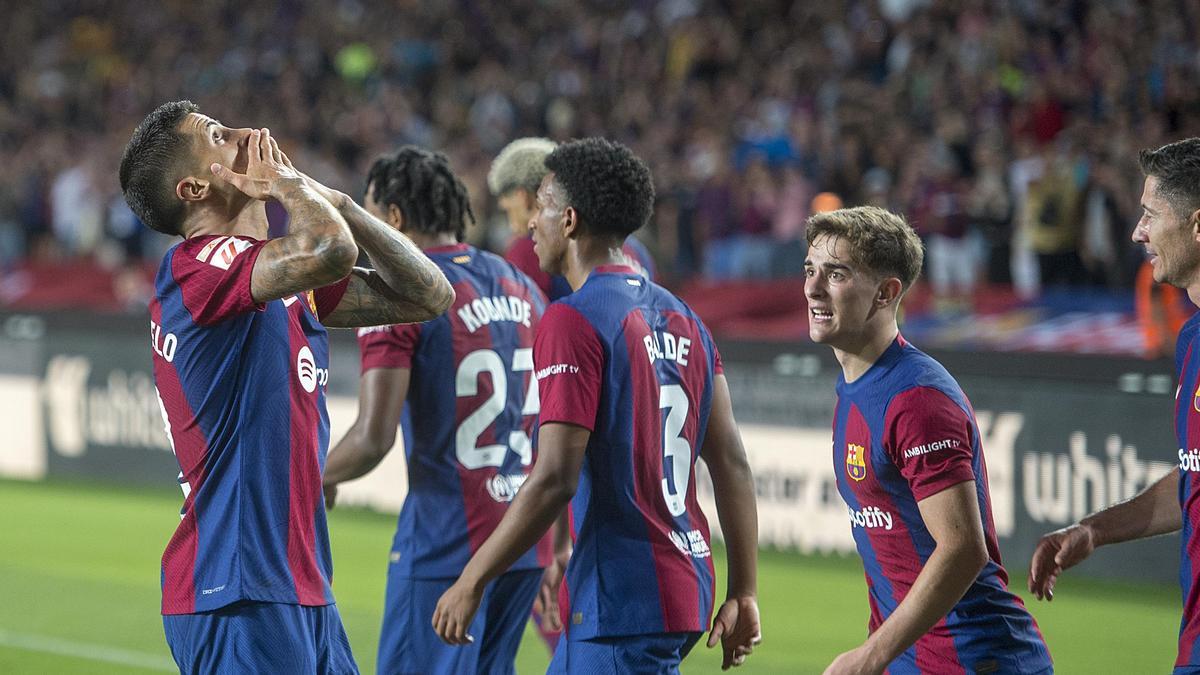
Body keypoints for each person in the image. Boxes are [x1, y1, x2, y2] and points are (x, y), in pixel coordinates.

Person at [120, 100, 454, 674]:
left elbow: (429, 295)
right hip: (236, 590)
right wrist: (291, 186)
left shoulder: (279, 282)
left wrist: (339, 202)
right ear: (196, 188)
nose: (251, 132)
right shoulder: (197, 268)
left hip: (302, 588)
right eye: (220, 136)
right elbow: (329, 250)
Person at [433, 138, 762, 672]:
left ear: (568, 219)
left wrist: (473, 579)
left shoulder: (572, 318)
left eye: (540, 205)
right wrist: (744, 590)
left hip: (620, 598)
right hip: (682, 587)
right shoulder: (685, 318)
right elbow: (730, 462)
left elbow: (554, 477)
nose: (529, 223)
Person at [321, 146, 551, 674]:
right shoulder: (522, 286)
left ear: (394, 219)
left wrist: (313, 477)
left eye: (371, 214)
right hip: (521, 541)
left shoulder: (401, 292)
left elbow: (373, 439)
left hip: (449, 540)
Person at [804, 206, 1052, 675]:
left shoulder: (915, 397)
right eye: (810, 270)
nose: (813, 288)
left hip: (974, 659)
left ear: (886, 292)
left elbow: (962, 547)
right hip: (912, 661)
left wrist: (870, 656)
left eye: (835, 274)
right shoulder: (857, 386)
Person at [1030, 138, 1200, 673]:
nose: (1137, 232)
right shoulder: (1192, 338)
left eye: (1150, 214)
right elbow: (1192, 481)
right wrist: (1094, 530)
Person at [487, 136, 656, 300]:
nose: (512, 225)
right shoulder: (639, 251)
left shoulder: (528, 249)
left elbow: (525, 323)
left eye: (508, 210)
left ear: (522, 197)